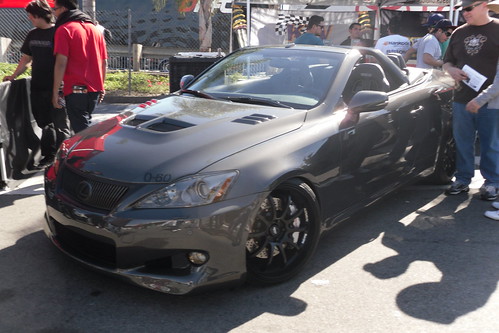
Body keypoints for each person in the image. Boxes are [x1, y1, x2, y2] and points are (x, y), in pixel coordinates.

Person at [442, 0, 499, 201]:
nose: (464, 13)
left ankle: (492, 182)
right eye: (462, 10)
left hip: (491, 100)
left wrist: (483, 99)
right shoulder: (458, 33)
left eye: (468, 8)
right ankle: (463, 179)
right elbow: (447, 61)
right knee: (462, 142)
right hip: (461, 97)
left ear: (484, 5)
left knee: (490, 143)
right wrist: (450, 70)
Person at [3, 0, 70, 168]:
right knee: (44, 123)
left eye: (30, 16)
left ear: (38, 15)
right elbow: (26, 58)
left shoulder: (59, 32)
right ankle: (48, 156)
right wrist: (14, 75)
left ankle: (66, 157)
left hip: (59, 87)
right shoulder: (32, 34)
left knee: (61, 124)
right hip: (38, 87)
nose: (29, 19)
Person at [52, 0, 108, 133]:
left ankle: (89, 153)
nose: (54, 13)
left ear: (64, 9)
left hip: (76, 88)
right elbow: (103, 62)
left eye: (55, 9)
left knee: (81, 131)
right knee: (84, 123)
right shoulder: (94, 29)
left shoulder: (64, 29)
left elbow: (61, 63)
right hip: (93, 89)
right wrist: (101, 86)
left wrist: (55, 93)